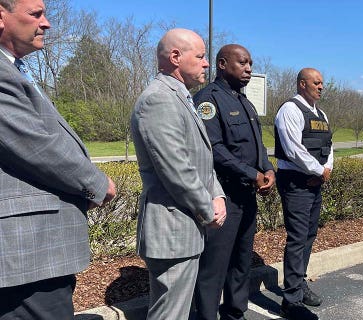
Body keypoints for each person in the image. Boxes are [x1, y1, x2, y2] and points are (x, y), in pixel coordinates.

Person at [0, 0, 117, 318]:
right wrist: (96, 184)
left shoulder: (12, 69)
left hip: (35, 256)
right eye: (35, 14)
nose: (47, 23)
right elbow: (36, 146)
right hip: (27, 256)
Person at [130, 28, 227, 320]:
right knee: (169, 314)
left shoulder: (181, 97)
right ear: (175, 57)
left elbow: (201, 159)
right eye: (200, 56)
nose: (206, 63)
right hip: (171, 227)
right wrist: (206, 207)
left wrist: (218, 194)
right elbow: (175, 168)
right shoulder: (158, 99)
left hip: (184, 225)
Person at [193, 44, 275, 320]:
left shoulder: (244, 101)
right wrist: (251, 174)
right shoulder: (208, 99)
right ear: (222, 64)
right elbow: (213, 148)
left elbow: (258, 146)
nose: (249, 68)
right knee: (214, 266)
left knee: (241, 261)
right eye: (242, 63)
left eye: (250, 63)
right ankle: (206, 316)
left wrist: (268, 169)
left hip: (247, 196)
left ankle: (235, 313)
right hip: (223, 196)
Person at [274, 67, 333, 320]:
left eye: (322, 83)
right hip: (296, 182)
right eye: (316, 82)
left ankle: (298, 285)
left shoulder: (320, 113)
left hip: (315, 180)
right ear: (301, 84)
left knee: (308, 235)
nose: (321, 87)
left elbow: (328, 146)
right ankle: (291, 301)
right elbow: (293, 149)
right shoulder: (290, 110)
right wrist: (319, 170)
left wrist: (326, 168)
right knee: (298, 238)